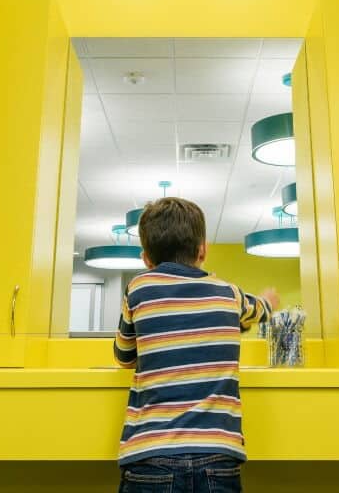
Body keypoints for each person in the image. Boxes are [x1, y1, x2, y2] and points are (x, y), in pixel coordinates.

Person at [113, 196, 280, 493]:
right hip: (218, 456)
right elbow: (259, 310)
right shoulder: (229, 294)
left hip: (150, 454)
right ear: (202, 250)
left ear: (146, 259)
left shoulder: (138, 289)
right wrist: (268, 300)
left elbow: (124, 356)